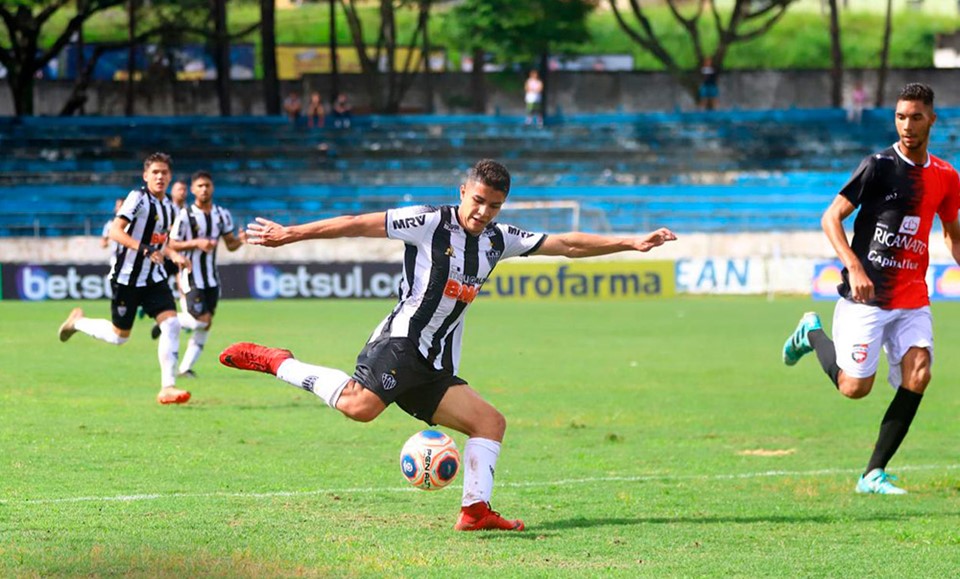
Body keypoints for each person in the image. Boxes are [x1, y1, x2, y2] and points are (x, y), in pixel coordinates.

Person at [218, 159, 677, 531]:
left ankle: (475, 512)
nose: (483, 212)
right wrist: (291, 233)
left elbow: (567, 245)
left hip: (438, 363)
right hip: (402, 343)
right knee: (359, 408)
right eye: (478, 200)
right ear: (463, 191)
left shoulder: (499, 240)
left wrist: (631, 242)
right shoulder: (427, 222)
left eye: (494, 206)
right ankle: (277, 361)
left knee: (490, 423)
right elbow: (359, 223)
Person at [782, 83, 960, 494]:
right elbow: (831, 218)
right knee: (854, 388)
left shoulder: (946, 177)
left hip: (913, 297)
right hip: (868, 297)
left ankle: (872, 474)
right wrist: (854, 266)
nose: (907, 126)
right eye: (900, 116)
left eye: (916, 117)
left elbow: (952, 234)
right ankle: (811, 332)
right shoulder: (877, 166)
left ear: (932, 119)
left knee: (919, 374)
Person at [58, 152, 191, 405]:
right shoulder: (137, 199)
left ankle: (168, 387)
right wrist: (144, 249)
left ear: (170, 176)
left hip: (153, 278)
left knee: (172, 324)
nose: (160, 176)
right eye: (155, 172)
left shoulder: (171, 209)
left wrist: (175, 255)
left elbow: (163, 242)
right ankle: (78, 323)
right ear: (146, 176)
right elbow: (115, 231)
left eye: (164, 172)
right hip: (126, 278)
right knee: (119, 337)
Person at [162, 170, 245, 378]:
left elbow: (230, 244)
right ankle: (168, 319)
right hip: (192, 276)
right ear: (193, 189)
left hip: (211, 279)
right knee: (200, 320)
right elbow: (171, 245)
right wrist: (196, 243)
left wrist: (241, 239)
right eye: (200, 186)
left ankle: (185, 368)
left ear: (212, 187)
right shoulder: (185, 216)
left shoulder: (222, 214)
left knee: (206, 325)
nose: (204, 189)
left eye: (207, 185)